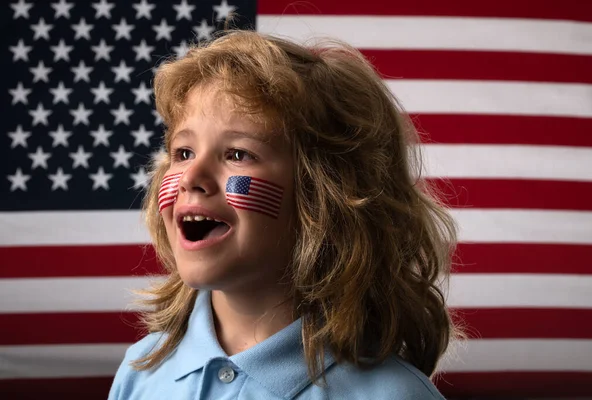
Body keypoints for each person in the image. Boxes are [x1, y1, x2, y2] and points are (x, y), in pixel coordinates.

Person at [108, 30, 459, 399]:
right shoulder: (142, 371)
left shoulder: (393, 394)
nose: (191, 178)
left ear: (324, 195)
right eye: (183, 153)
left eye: (238, 154)